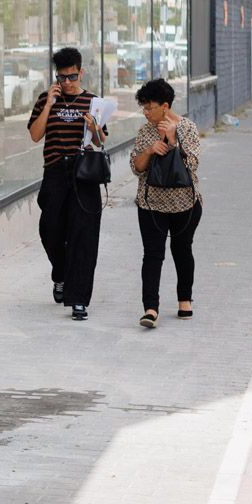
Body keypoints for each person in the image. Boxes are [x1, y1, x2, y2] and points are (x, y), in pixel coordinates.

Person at [28, 47, 108, 321]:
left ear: (81, 72)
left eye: (71, 77)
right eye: (61, 78)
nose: (66, 83)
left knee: (83, 238)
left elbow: (101, 141)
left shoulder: (93, 102)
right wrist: (49, 104)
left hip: (83, 175)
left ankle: (78, 300)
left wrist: (94, 127)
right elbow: (35, 136)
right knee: (49, 230)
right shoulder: (45, 100)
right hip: (54, 173)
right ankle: (60, 274)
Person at [127, 77, 201, 329]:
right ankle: (150, 308)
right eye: (143, 108)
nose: (146, 113)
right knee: (152, 255)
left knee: (182, 250)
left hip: (185, 205)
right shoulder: (145, 131)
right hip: (150, 205)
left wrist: (172, 141)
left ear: (165, 106)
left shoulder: (188, 127)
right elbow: (136, 168)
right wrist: (149, 151)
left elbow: (192, 165)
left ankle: (184, 300)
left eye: (150, 107)